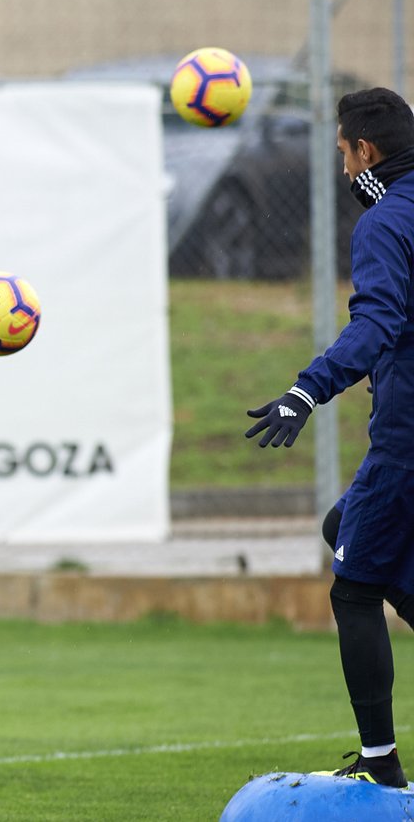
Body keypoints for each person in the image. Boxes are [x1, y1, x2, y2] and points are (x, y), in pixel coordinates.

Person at [245, 87, 414, 787]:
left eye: (343, 152)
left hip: (408, 439)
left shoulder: (385, 223)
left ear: (364, 152)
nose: (343, 168)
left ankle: (381, 767)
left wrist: (306, 390)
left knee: (353, 586)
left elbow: (376, 323)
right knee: (345, 524)